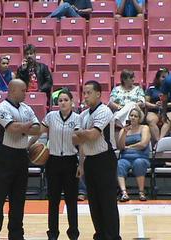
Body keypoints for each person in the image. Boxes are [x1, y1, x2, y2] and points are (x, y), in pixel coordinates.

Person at [0, 79, 40, 240]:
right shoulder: (1, 109)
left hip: (21, 155)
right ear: (12, 91)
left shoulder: (26, 108)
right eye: (23, 90)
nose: (26, 93)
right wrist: (26, 126)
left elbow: (38, 128)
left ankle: (16, 233)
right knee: (0, 195)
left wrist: (22, 127)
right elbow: (11, 128)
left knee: (19, 197)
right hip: (4, 154)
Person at [72, 81, 121, 240]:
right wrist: (80, 163)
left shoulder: (105, 111)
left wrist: (81, 132)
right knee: (94, 202)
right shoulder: (83, 115)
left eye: (89, 93)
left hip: (105, 159)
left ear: (99, 94)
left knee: (107, 202)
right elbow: (76, 140)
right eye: (84, 93)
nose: (85, 96)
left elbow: (92, 136)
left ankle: (112, 236)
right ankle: (99, 235)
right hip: (89, 160)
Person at [30, 88, 81, 240]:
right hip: (53, 161)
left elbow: (81, 142)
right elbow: (39, 133)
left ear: (72, 102)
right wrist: (28, 145)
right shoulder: (51, 116)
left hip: (71, 161)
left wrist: (82, 164)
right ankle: (52, 234)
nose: (63, 103)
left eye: (66, 100)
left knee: (72, 200)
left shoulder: (78, 118)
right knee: (53, 200)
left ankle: (73, 233)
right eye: (60, 100)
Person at [117, 108, 151, 202]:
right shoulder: (123, 130)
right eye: (131, 115)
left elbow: (143, 144)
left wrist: (129, 146)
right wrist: (124, 132)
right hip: (125, 157)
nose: (133, 118)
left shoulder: (144, 128)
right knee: (119, 164)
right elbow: (120, 146)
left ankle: (141, 192)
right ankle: (124, 193)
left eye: (135, 116)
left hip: (141, 157)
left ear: (139, 118)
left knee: (138, 163)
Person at [145, 68, 171, 142]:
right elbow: (146, 102)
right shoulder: (151, 88)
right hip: (154, 110)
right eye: (163, 77)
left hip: (168, 110)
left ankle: (160, 141)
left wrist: (165, 104)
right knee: (150, 120)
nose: (165, 79)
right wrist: (155, 105)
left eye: (167, 77)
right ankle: (158, 141)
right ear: (158, 78)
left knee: (169, 120)